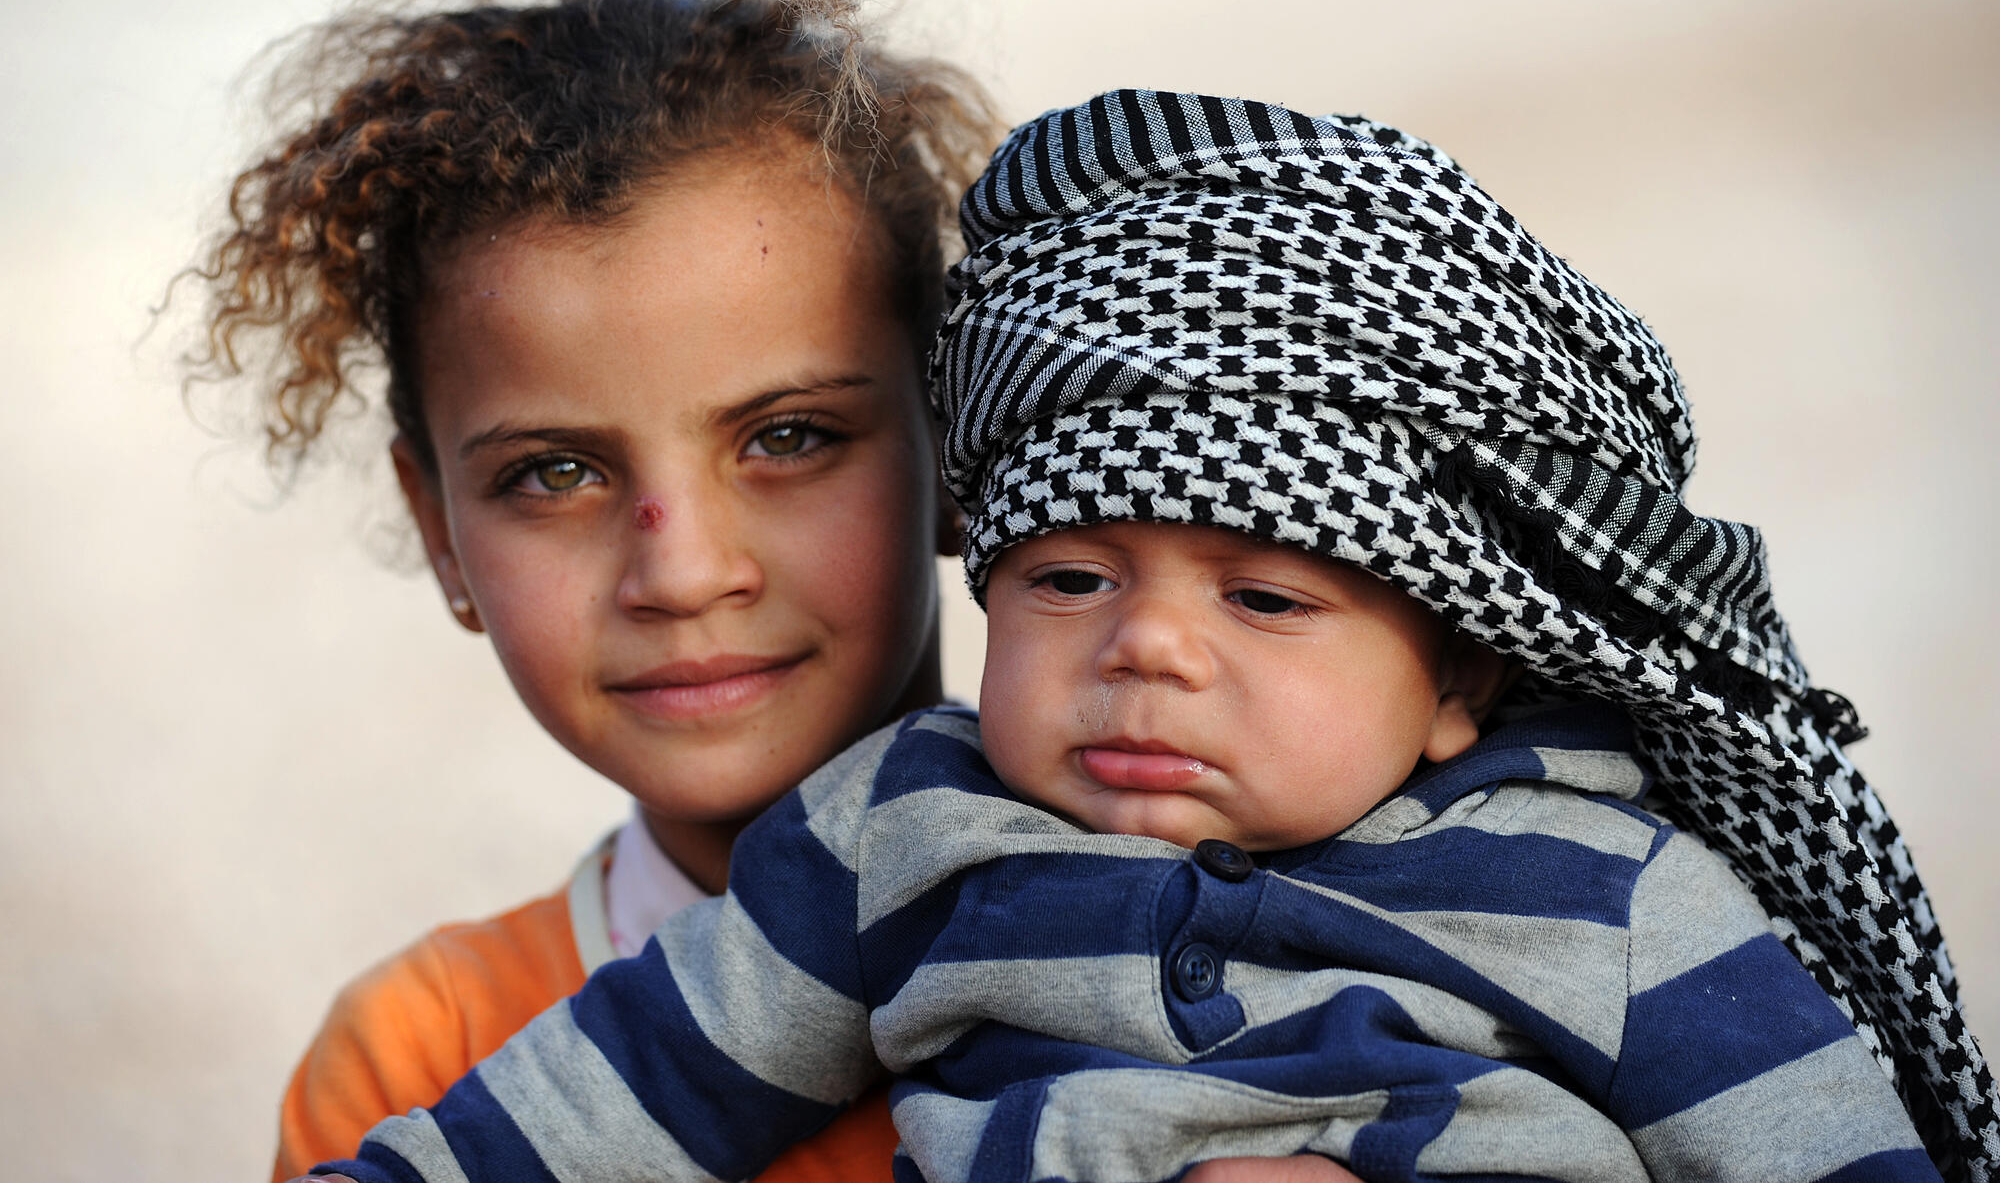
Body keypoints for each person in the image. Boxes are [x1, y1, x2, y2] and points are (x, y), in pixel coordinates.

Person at [308, 92, 1998, 1181]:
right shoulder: (909, 833)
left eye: (1263, 596)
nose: (1152, 650)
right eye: (1071, 579)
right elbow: (622, 1091)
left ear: (1461, 673)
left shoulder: (1608, 892)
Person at [177, 0, 1004, 1177]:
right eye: (554, 473)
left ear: (965, 441)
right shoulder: (424, 1071)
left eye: (790, 438)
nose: (680, 568)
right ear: (441, 531)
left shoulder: (1253, 924)